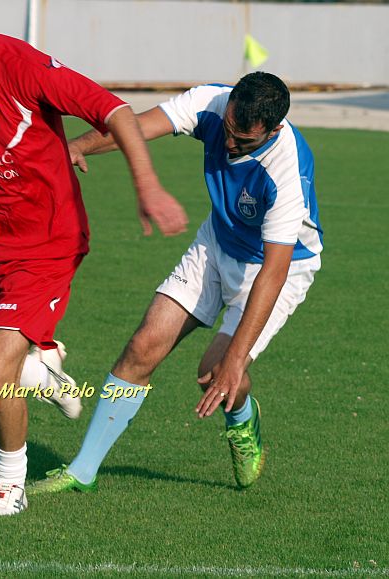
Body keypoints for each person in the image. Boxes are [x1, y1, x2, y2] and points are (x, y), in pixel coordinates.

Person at [0, 0, 188, 516]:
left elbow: (113, 110)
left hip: (45, 245)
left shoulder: (15, 64)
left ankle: (10, 487)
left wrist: (148, 185)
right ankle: (40, 373)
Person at [30, 72, 323, 494]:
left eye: (244, 142)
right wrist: (77, 145)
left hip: (277, 268)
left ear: (274, 129)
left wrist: (236, 359)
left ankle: (243, 420)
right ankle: (83, 470)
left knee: (217, 371)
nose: (228, 145)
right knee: (144, 344)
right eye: (228, 131)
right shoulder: (212, 102)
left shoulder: (287, 172)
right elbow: (135, 126)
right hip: (218, 240)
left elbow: (274, 271)